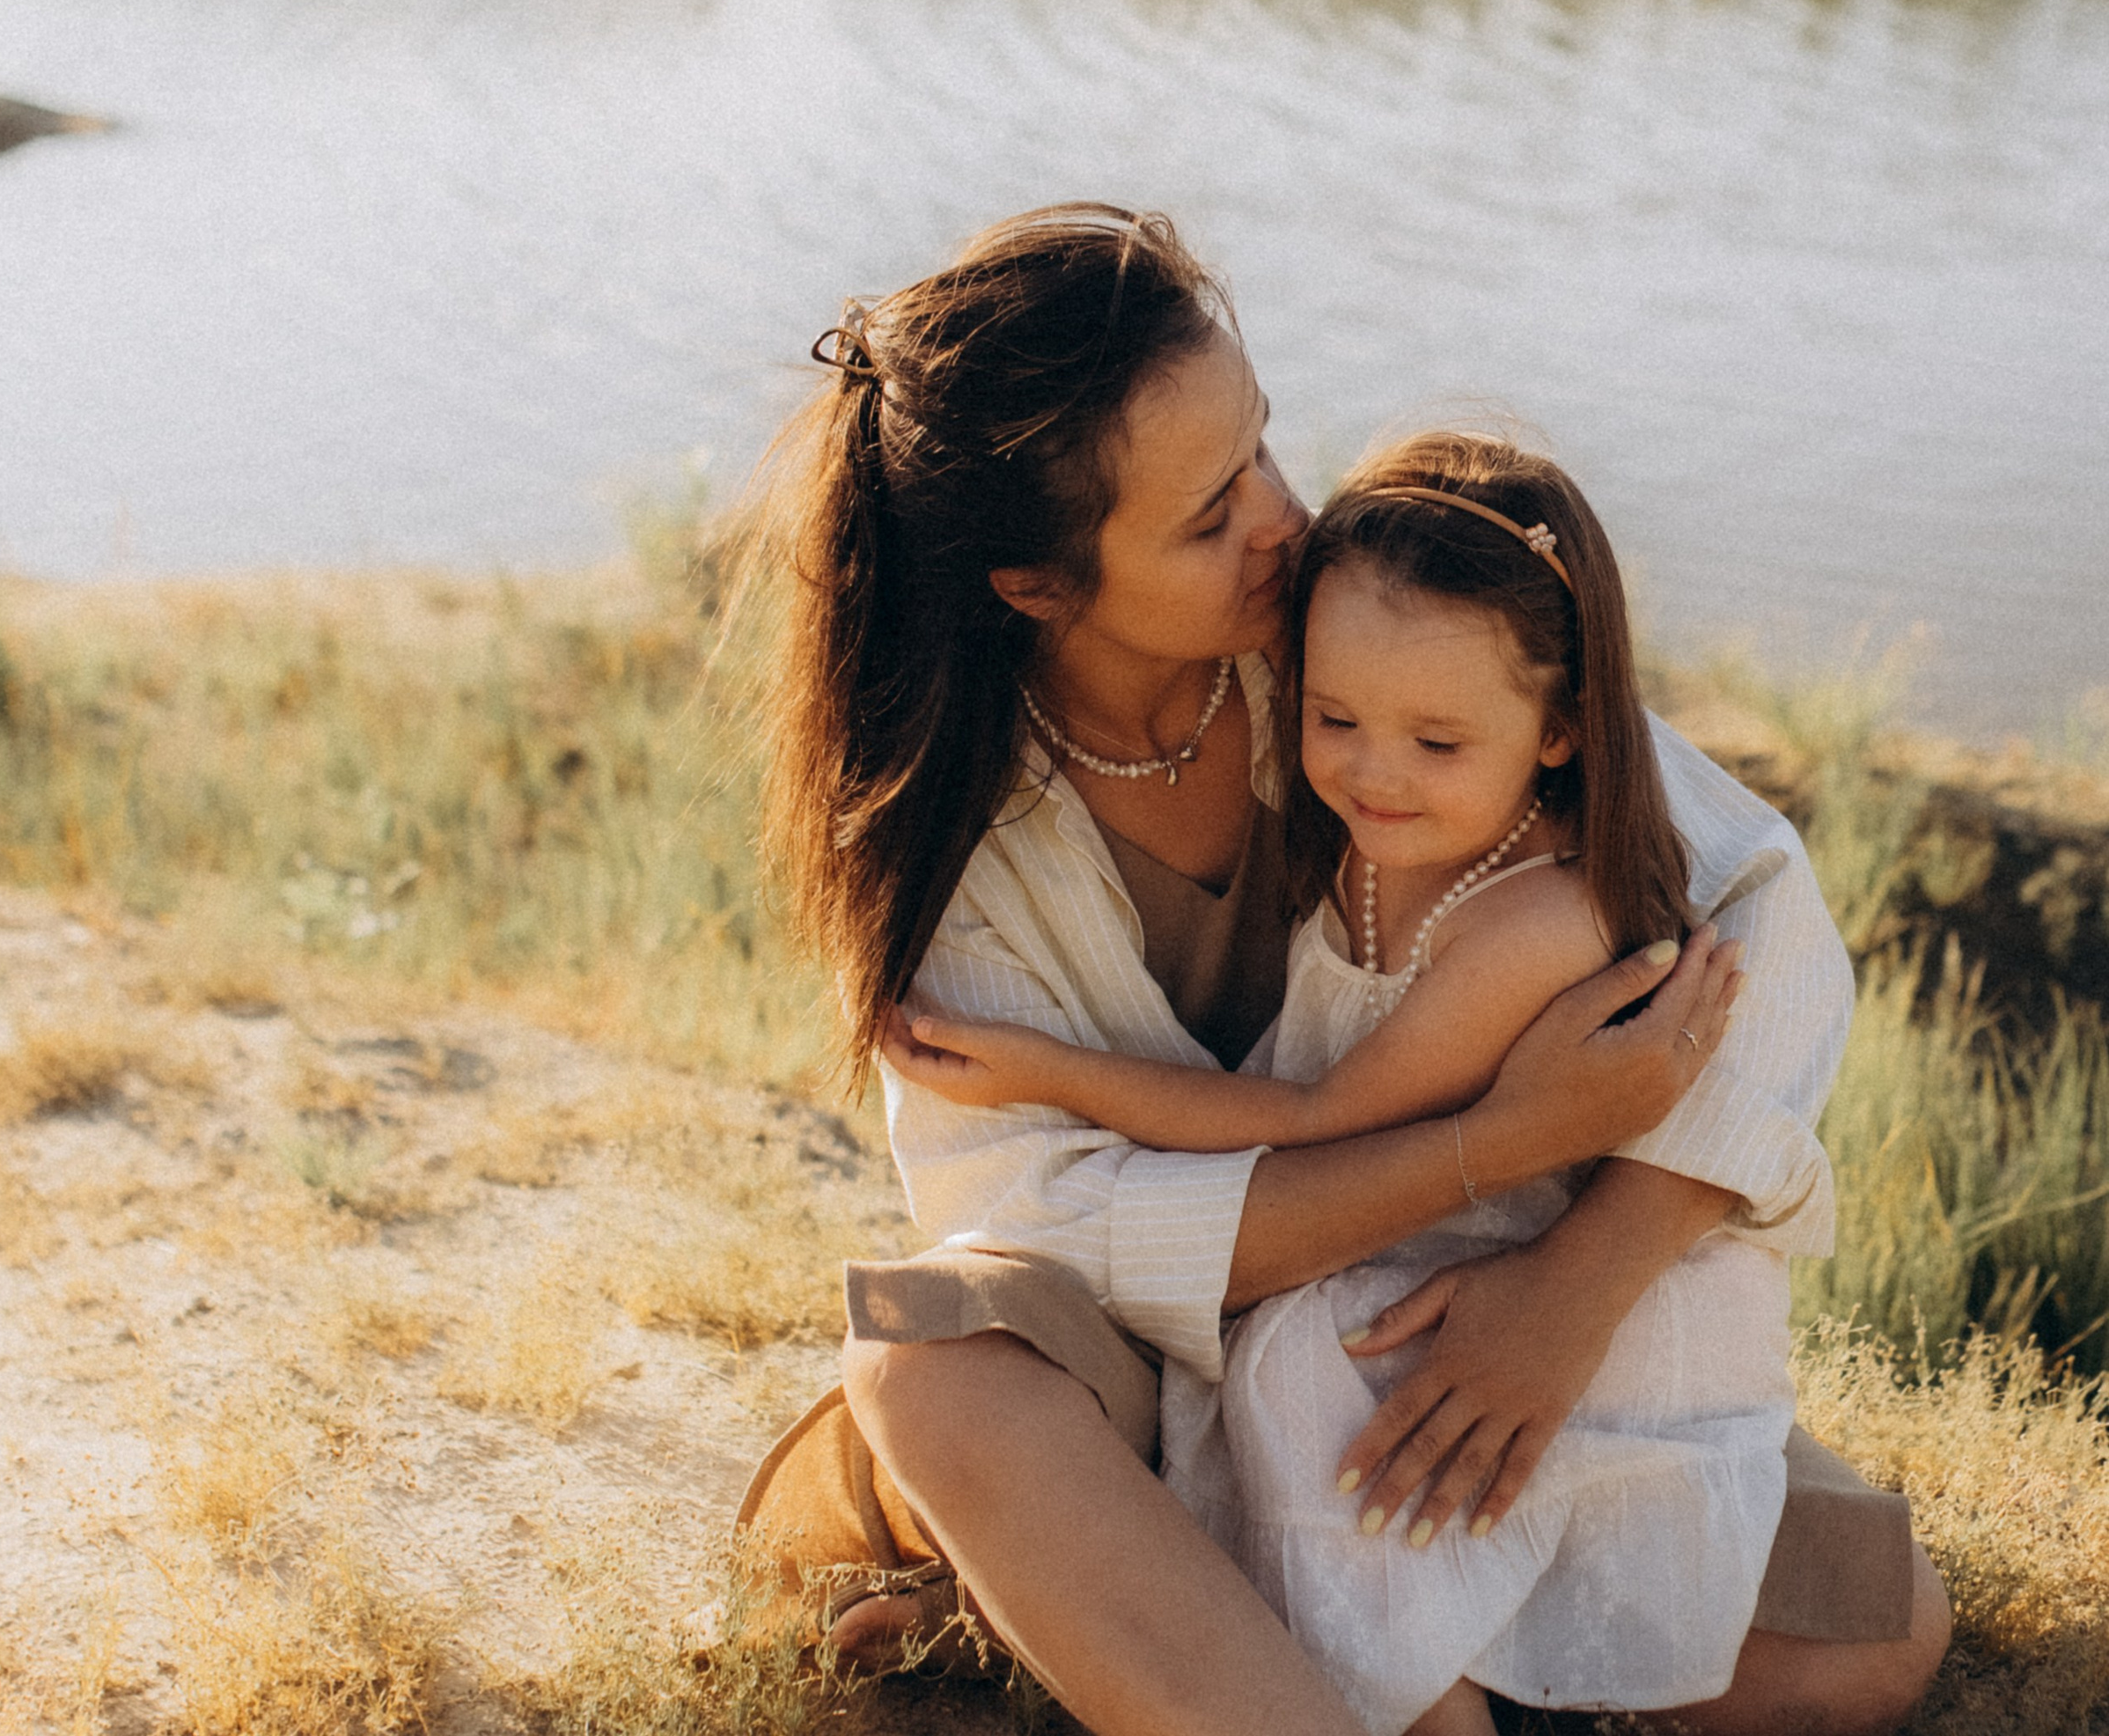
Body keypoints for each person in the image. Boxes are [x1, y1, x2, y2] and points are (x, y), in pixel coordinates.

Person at [739, 203, 1948, 1736]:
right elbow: (1052, 1223)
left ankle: (1142, 1618)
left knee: (1872, 1635)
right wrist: (1491, 1142)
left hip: (1444, 1325)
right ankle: (1168, 1598)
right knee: (935, 1367)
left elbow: (1760, 911)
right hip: (1157, 1364)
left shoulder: (1365, 624)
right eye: (1206, 513)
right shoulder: (949, 838)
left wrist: (1573, 1287)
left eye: (1260, 447)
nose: (1281, 514)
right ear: (1038, 585)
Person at [885, 431, 1801, 1736]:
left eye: (1434, 741)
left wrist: (1053, 1067)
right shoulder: (1380, 734)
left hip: (1503, 1263)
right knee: (1263, 1385)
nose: (1373, 772)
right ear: (1036, 578)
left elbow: (1310, 1116)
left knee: (1300, 1383)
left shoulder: (1527, 914)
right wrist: (1032, 1069)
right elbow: (1092, 1196)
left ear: (1561, 732)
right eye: (1334, 719)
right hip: (1372, 1235)